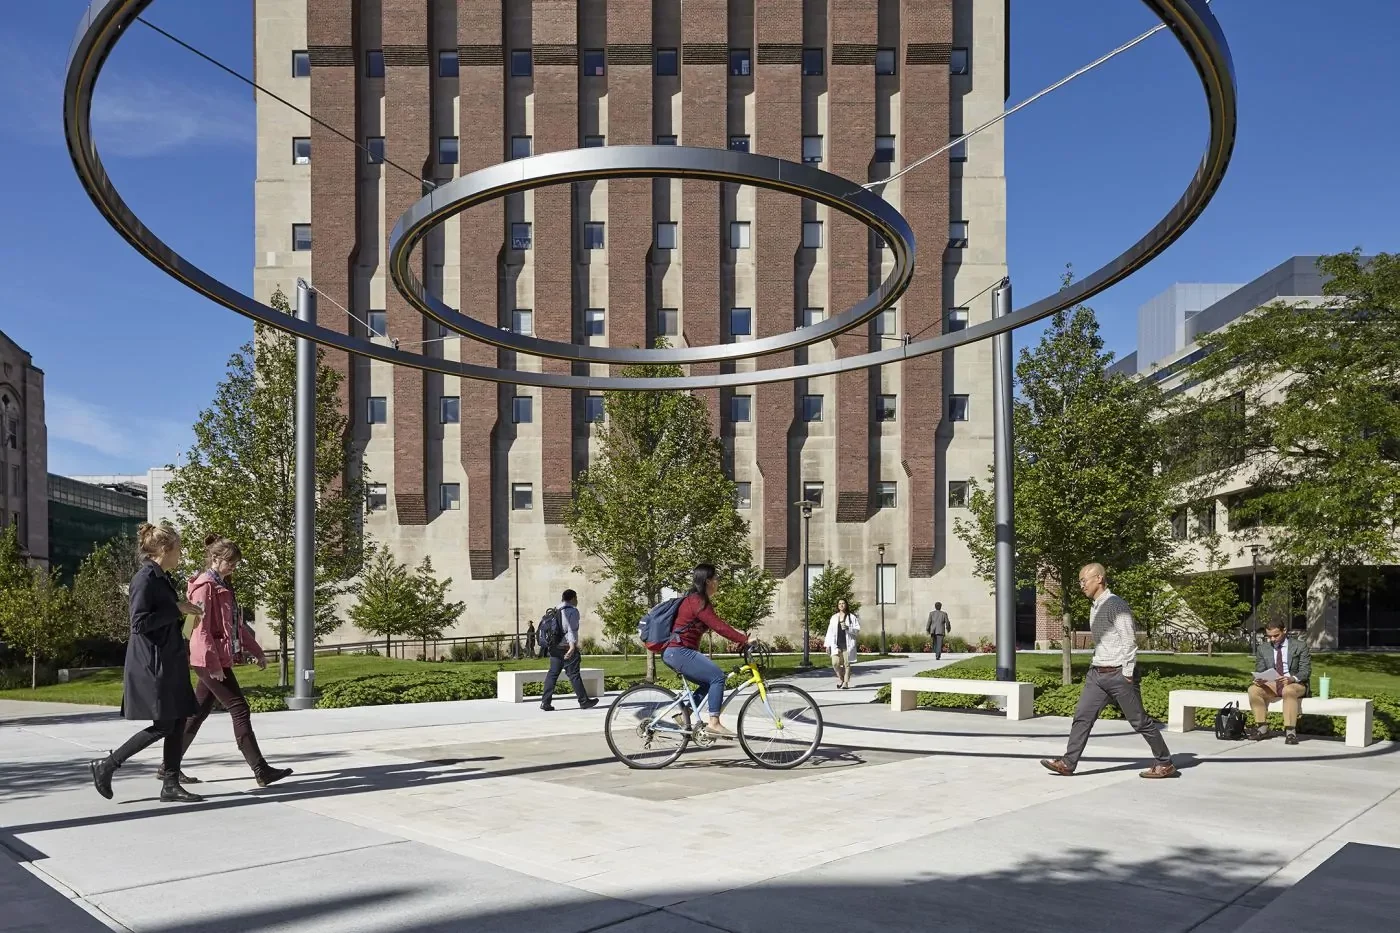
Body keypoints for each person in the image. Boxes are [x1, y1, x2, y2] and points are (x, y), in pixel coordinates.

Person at [90, 523, 204, 803]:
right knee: (165, 724)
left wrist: (185, 617)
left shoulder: (162, 578)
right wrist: (176, 608)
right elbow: (139, 623)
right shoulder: (144, 579)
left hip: (169, 659)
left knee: (177, 721)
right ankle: (107, 765)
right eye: (177, 550)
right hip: (153, 664)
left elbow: (161, 618)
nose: (180, 555)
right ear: (164, 550)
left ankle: (171, 785)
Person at [1040, 563, 1178, 780]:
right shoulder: (1095, 606)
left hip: (1118, 674)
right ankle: (1068, 763)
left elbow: (1129, 641)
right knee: (1082, 717)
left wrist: (1127, 673)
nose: (1081, 585)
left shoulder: (1116, 605)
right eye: (1079, 581)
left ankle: (1165, 762)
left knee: (1139, 721)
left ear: (1099, 578)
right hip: (1097, 674)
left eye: (1084, 580)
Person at [178, 535, 294, 786]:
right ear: (215, 558)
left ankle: (168, 766)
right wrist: (213, 664)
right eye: (230, 562)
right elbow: (199, 630)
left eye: (236, 563)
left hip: (216, 658)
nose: (233, 567)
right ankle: (261, 770)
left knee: (198, 713)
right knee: (239, 708)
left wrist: (257, 651)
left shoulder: (223, 585)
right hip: (208, 659)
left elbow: (235, 626)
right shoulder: (205, 586)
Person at [662, 564, 750, 736]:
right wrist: (743, 639)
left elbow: (718, 625)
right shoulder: (697, 601)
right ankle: (714, 723)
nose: (718, 582)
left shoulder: (697, 600)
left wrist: (740, 640)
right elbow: (718, 626)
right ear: (708, 581)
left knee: (708, 682)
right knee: (717, 677)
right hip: (678, 651)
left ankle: (685, 715)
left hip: (676, 651)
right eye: (716, 578)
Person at [1247, 620, 1311, 745]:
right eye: (1269, 636)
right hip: (1273, 683)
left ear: (1284, 631)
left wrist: (1292, 679)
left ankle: (1290, 732)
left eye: (1276, 635)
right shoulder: (1263, 649)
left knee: (1289, 690)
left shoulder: (1299, 646)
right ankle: (1262, 728)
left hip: (1295, 684)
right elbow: (1260, 670)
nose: (1272, 639)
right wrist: (1259, 679)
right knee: (1253, 690)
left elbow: (1305, 671)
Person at [540, 589, 599, 712]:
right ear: (572, 598)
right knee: (574, 675)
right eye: (576, 598)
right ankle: (584, 701)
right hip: (566, 647)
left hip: (554, 648)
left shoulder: (555, 610)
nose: (577, 600)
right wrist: (572, 647)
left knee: (552, 674)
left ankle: (545, 702)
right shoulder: (571, 611)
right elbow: (571, 629)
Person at [824, 598, 859, 689]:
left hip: (847, 643)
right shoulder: (834, 617)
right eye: (840, 604)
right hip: (836, 644)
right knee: (835, 663)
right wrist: (827, 645)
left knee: (847, 664)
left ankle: (846, 683)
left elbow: (857, 630)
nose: (841, 605)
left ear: (846, 605)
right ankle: (841, 678)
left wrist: (848, 628)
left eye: (843, 603)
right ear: (838, 606)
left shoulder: (851, 617)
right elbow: (830, 632)